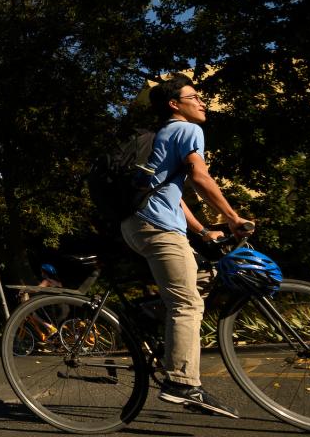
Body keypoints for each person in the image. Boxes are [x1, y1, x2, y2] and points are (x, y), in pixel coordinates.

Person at [122, 75, 253, 418]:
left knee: (203, 275)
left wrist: (202, 230)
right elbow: (199, 177)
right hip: (157, 226)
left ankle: (154, 313)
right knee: (187, 302)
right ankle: (181, 383)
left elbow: (170, 192)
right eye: (194, 96)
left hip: (139, 224)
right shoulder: (186, 130)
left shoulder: (165, 136)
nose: (202, 102)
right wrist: (233, 217)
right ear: (174, 105)